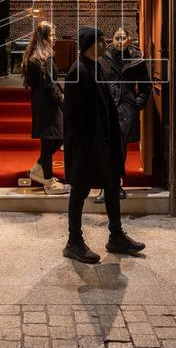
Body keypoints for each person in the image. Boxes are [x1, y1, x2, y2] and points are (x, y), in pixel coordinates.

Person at [62, 26, 145, 263]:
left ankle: (116, 235)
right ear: (90, 44)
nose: (104, 45)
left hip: (104, 141)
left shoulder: (95, 66)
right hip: (87, 146)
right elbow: (73, 116)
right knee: (79, 191)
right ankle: (73, 241)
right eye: (101, 41)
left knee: (111, 185)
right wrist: (82, 147)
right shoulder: (78, 71)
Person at [96, 27, 151, 203]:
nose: (120, 41)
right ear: (112, 40)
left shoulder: (137, 59)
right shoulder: (103, 59)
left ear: (129, 39)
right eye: (117, 38)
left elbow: (145, 85)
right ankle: (105, 186)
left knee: (120, 148)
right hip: (107, 106)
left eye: (123, 38)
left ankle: (116, 184)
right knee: (105, 147)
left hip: (126, 107)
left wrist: (138, 103)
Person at [24, 21, 69, 195]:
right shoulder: (45, 56)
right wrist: (61, 100)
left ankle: (43, 172)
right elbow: (51, 83)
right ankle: (48, 182)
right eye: (51, 35)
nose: (54, 38)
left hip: (40, 101)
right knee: (58, 137)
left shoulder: (34, 54)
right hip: (48, 102)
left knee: (49, 139)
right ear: (43, 37)